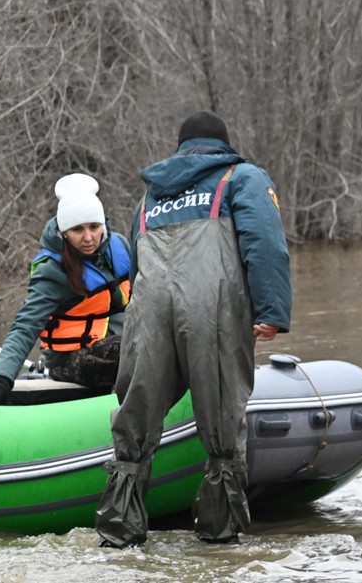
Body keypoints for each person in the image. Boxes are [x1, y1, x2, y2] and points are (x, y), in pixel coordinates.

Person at [94, 111, 293, 548]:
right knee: (222, 426)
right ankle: (219, 543)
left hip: (148, 314)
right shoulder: (243, 178)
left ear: (181, 147)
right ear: (223, 145)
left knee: (135, 419)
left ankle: (118, 539)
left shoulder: (150, 198)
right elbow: (266, 243)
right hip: (212, 309)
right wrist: (271, 309)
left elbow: (138, 266)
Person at [0, 173, 130, 405]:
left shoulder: (119, 247)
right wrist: (2, 377)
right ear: (64, 232)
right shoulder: (53, 270)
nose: (89, 237)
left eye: (94, 227)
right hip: (71, 361)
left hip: (116, 343)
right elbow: (26, 325)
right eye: (78, 230)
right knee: (133, 346)